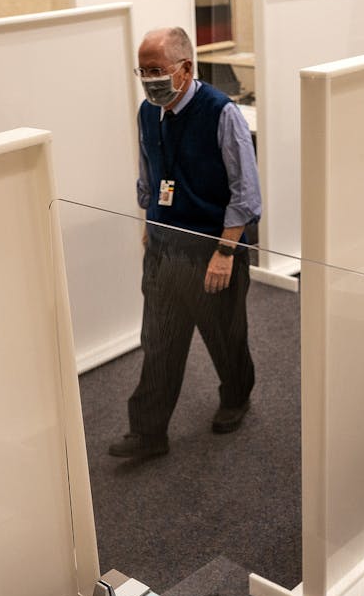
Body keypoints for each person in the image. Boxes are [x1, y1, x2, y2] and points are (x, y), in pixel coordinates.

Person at [108, 26, 261, 460]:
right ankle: (148, 432)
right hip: (163, 245)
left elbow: (246, 191)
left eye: (156, 70)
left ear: (185, 68)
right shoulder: (147, 112)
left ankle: (236, 397)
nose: (148, 79)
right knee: (158, 339)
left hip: (213, 247)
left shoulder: (220, 112)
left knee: (224, 334)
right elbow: (149, 173)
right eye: (143, 70)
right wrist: (150, 222)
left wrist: (226, 252)